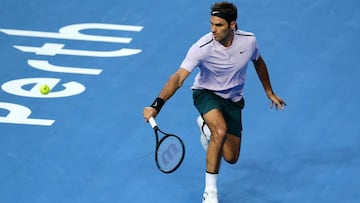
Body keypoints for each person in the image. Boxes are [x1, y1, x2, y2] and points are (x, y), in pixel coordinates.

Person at [143, 1, 286, 203]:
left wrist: (269, 92)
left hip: (233, 100)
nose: (213, 30)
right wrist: (156, 105)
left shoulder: (249, 41)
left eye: (218, 25)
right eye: (211, 24)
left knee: (231, 157)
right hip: (205, 93)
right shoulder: (201, 47)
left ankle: (205, 128)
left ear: (232, 25)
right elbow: (178, 78)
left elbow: (258, 62)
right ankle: (210, 193)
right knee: (220, 131)